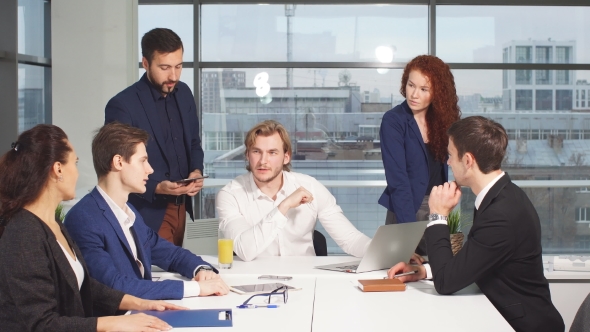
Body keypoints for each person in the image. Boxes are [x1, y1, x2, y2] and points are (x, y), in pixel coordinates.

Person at [0, 124, 185, 332]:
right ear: (58, 169)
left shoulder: (53, 224)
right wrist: (113, 323)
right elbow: (42, 324)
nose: (78, 173)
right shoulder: (24, 233)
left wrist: (139, 303)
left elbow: (85, 286)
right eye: (75, 163)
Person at [387, 116, 564, 332]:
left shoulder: (501, 214)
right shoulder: (500, 195)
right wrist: (424, 271)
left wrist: (438, 215)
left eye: (451, 155)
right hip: (503, 317)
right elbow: (475, 261)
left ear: (468, 161)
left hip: (524, 325)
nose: (448, 162)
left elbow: (445, 284)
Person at [65, 122, 229, 300]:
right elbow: (114, 285)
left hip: (143, 314)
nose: (150, 170)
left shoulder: (129, 213)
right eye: (143, 161)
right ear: (118, 162)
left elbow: (171, 254)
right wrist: (195, 288)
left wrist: (201, 269)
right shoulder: (84, 218)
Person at [216, 120, 371, 262]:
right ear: (247, 155)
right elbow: (245, 250)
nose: (263, 161)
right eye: (256, 151)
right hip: (253, 282)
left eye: (272, 152)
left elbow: (350, 239)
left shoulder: (310, 186)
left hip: (307, 281)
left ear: (286, 157)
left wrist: (387, 256)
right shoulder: (230, 195)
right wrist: (284, 206)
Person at [105, 28, 203, 246]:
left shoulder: (185, 93)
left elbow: (194, 143)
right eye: (165, 67)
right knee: (157, 276)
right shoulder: (122, 105)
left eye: (178, 66)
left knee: (175, 271)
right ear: (146, 63)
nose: (173, 76)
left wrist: (196, 171)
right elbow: (117, 166)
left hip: (182, 208)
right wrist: (157, 187)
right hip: (147, 211)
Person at [378, 55, 461, 255]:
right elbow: (398, 182)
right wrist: (408, 236)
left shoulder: (441, 120)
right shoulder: (393, 121)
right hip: (405, 206)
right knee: (402, 270)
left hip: (436, 206)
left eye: (424, 89)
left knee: (436, 269)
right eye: (411, 85)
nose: (414, 94)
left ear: (437, 93)